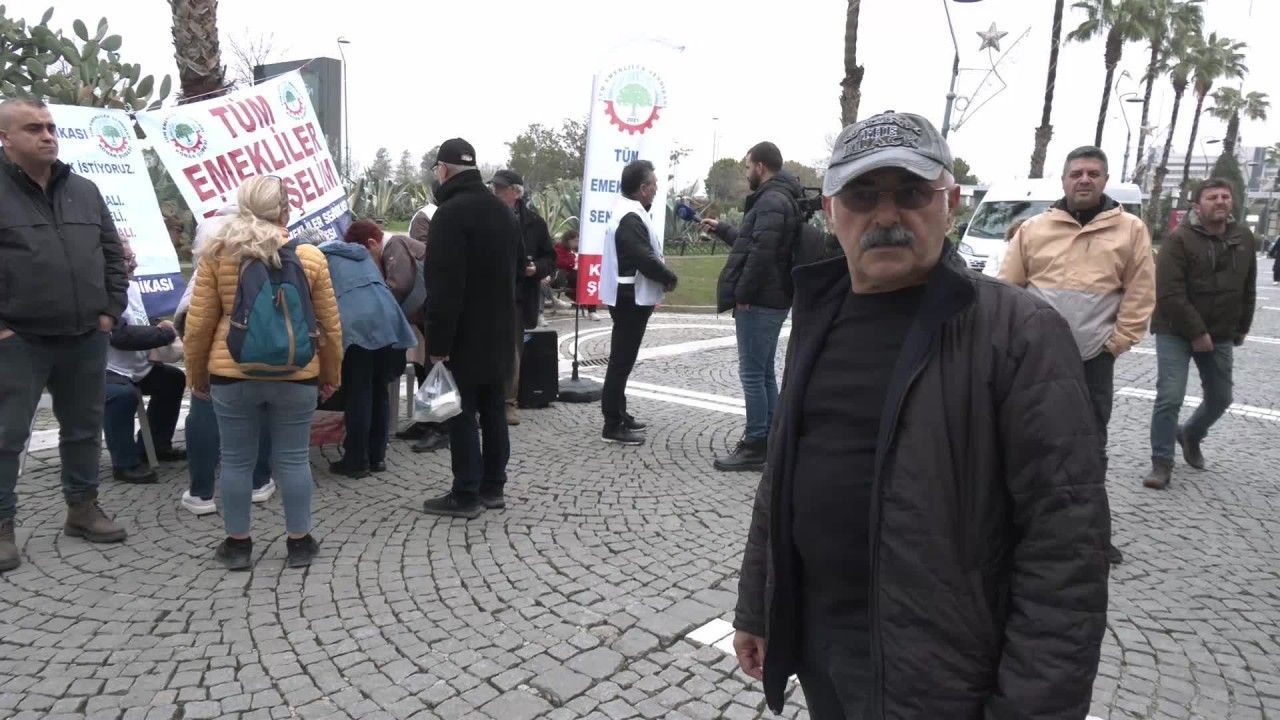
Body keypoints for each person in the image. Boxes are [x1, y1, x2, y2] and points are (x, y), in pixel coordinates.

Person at [733, 112, 1110, 719]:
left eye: (910, 193)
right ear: (830, 210)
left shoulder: (1020, 334)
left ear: (949, 204)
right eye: (862, 195)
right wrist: (759, 606)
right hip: (824, 648)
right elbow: (781, 476)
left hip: (942, 675)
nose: (886, 216)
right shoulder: (818, 313)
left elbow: (1065, 546)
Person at [998, 145, 1154, 566]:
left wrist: (1115, 345)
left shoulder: (1131, 230)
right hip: (1034, 360)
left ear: (1105, 181)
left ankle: (1090, 533)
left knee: (1089, 446)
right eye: (1077, 173)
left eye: (1093, 173)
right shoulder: (1034, 229)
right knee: (1026, 438)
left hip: (1093, 360)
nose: (1084, 179)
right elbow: (1008, 290)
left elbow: (1140, 293)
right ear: (1064, 180)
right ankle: (1020, 525)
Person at [183, 175, 343, 570]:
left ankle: (238, 545)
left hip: (232, 373)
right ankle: (299, 542)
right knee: (293, 460)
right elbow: (329, 325)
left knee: (236, 460)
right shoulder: (310, 257)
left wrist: (197, 376)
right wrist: (331, 375)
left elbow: (199, 326)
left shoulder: (218, 253)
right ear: (285, 210)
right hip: (297, 374)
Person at [0, 97, 130, 572]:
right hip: (19, 340)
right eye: (34, 128)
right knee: (7, 435)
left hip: (85, 335)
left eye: (51, 127)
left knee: (83, 429)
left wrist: (110, 311)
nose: (47, 135)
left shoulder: (84, 190)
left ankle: (82, 508)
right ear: (5, 138)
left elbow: (113, 253)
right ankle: (2, 524)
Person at [421, 139, 519, 519]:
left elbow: (444, 286)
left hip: (463, 334)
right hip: (500, 329)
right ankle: (493, 486)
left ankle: (466, 492)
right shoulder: (502, 211)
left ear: (443, 170)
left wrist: (438, 342)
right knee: (493, 409)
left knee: (460, 412)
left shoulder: (449, 215)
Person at [1144, 178, 1257, 489]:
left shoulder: (1244, 237)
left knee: (1221, 397)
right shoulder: (1178, 240)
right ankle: (1162, 461)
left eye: (1225, 196)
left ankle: (1190, 433)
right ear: (1197, 205)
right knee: (1170, 396)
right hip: (1174, 330)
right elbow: (1169, 293)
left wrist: (1242, 327)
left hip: (1220, 332)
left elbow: (1248, 287)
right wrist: (1196, 332)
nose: (1220, 201)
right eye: (1212, 197)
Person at [701, 142, 804, 471]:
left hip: (760, 300)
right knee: (763, 373)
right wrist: (723, 229)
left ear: (761, 166)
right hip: (773, 297)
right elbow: (753, 243)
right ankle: (771, 442)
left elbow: (762, 253)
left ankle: (756, 444)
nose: (746, 173)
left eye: (748, 167)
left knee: (752, 374)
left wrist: (743, 294)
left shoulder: (771, 199)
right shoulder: (780, 197)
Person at [175, 205, 276, 516]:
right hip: (261, 340)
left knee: (204, 408)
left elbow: (198, 321)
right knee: (261, 409)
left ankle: (201, 492)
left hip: (215, 343)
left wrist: (195, 371)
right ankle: (259, 481)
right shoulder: (269, 241)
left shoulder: (212, 242)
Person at [320, 220, 418, 478]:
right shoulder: (362, 255)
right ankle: (377, 457)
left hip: (358, 327)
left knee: (358, 393)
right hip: (389, 322)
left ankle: (356, 461)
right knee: (379, 390)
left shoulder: (323, 259)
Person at [599, 160, 679, 446]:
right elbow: (643, 257)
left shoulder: (628, 211)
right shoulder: (630, 216)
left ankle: (619, 413)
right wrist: (668, 277)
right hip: (629, 297)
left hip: (627, 295)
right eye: (654, 184)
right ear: (643, 188)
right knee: (621, 361)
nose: (657, 189)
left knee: (622, 359)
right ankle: (612, 423)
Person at [102, 240, 187, 484]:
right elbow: (120, 335)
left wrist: (158, 324)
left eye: (132, 257)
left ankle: (156, 445)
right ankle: (124, 463)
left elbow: (139, 319)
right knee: (122, 396)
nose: (134, 263)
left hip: (135, 366)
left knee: (173, 379)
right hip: (104, 370)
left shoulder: (130, 286)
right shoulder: (100, 292)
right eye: (127, 259)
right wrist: (164, 334)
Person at [491, 169, 556, 425]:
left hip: (518, 296)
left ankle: (508, 402)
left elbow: (550, 258)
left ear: (516, 192)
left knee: (512, 351)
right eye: (494, 187)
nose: (495, 191)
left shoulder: (535, 223)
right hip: (488, 293)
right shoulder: (485, 216)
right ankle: (482, 400)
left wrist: (535, 268)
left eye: (500, 188)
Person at [384, 228, 449, 453]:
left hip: (435, 310)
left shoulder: (394, 244)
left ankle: (441, 428)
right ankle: (426, 421)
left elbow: (400, 284)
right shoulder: (401, 246)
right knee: (424, 367)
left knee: (437, 369)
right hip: (425, 312)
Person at [554, 230, 600, 321]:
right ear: (568, 240)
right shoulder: (559, 249)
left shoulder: (577, 250)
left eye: (578, 241)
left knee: (590, 278)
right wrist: (573, 261)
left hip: (575, 274)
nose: (577, 243)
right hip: (563, 275)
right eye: (575, 241)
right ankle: (588, 307)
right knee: (581, 278)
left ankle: (591, 310)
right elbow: (559, 263)